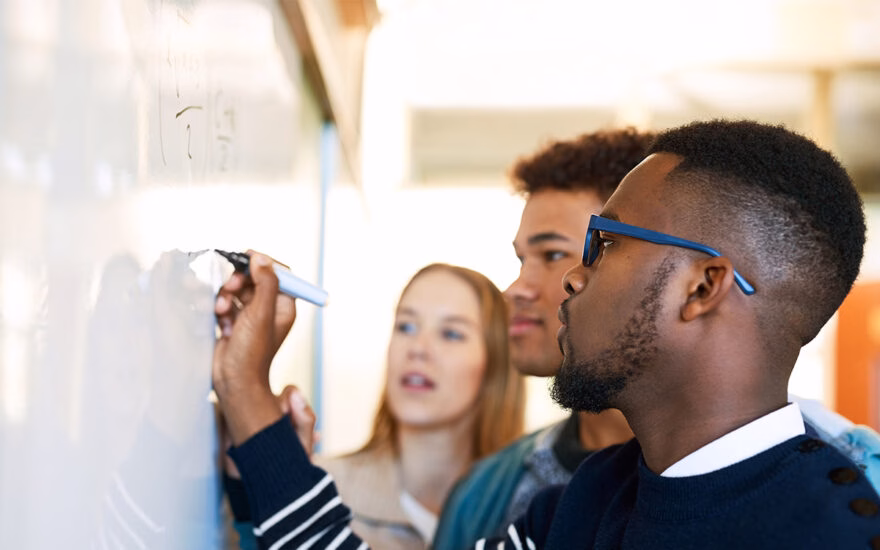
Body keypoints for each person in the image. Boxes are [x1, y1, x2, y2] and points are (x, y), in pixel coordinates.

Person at [211, 119, 880, 549]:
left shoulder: (836, 533)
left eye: (606, 244)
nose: (574, 281)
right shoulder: (585, 504)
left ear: (702, 288)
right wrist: (247, 396)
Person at [434, 128, 652, 549]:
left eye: (552, 255)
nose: (516, 288)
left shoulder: (751, 482)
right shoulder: (483, 494)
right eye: (521, 260)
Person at [222, 263, 525, 549]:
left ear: (497, 362)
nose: (418, 349)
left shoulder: (527, 510)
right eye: (406, 327)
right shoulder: (317, 490)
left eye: (451, 333)